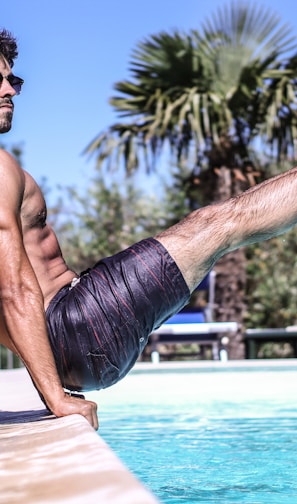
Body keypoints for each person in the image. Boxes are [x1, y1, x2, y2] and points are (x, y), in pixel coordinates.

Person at [1, 30, 297, 431]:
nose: (11, 91)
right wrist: (55, 397)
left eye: (13, 79)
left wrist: (50, 376)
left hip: (69, 347)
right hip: (78, 325)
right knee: (221, 223)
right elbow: (14, 288)